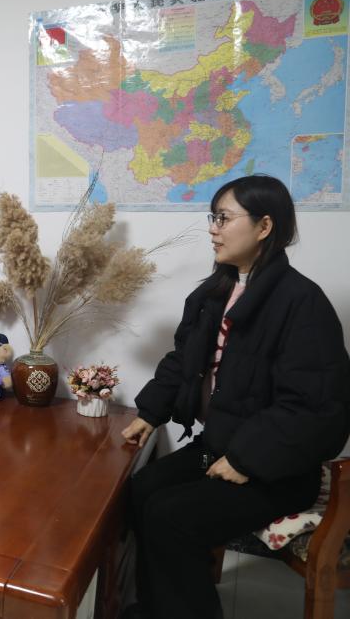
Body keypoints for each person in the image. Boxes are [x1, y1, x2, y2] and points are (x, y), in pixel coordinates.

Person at [121, 175, 350, 619]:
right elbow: (184, 359)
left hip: (277, 468)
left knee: (172, 517)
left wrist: (247, 459)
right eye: (213, 217)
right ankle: (154, 609)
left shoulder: (302, 303)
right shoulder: (215, 293)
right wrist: (150, 412)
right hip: (221, 446)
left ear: (264, 226)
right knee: (143, 488)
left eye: (223, 218)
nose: (213, 229)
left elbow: (314, 407)